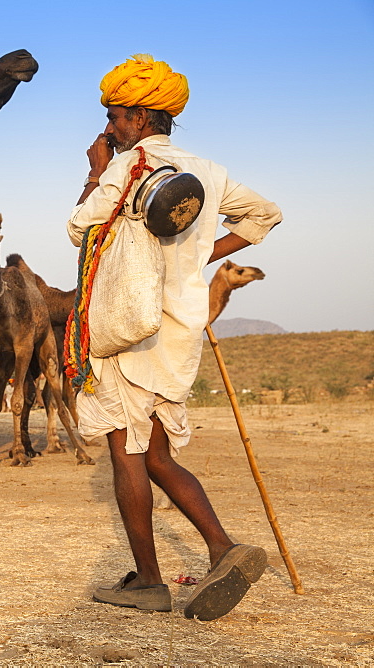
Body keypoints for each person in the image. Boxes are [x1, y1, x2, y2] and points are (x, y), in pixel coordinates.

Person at [68, 55, 282, 619]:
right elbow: (265, 215)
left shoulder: (128, 166)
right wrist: (200, 258)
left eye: (115, 116)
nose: (109, 128)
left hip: (125, 329)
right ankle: (223, 549)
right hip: (181, 327)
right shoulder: (208, 170)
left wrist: (96, 169)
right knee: (157, 452)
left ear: (139, 116)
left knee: (127, 452)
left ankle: (148, 581)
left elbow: (78, 230)